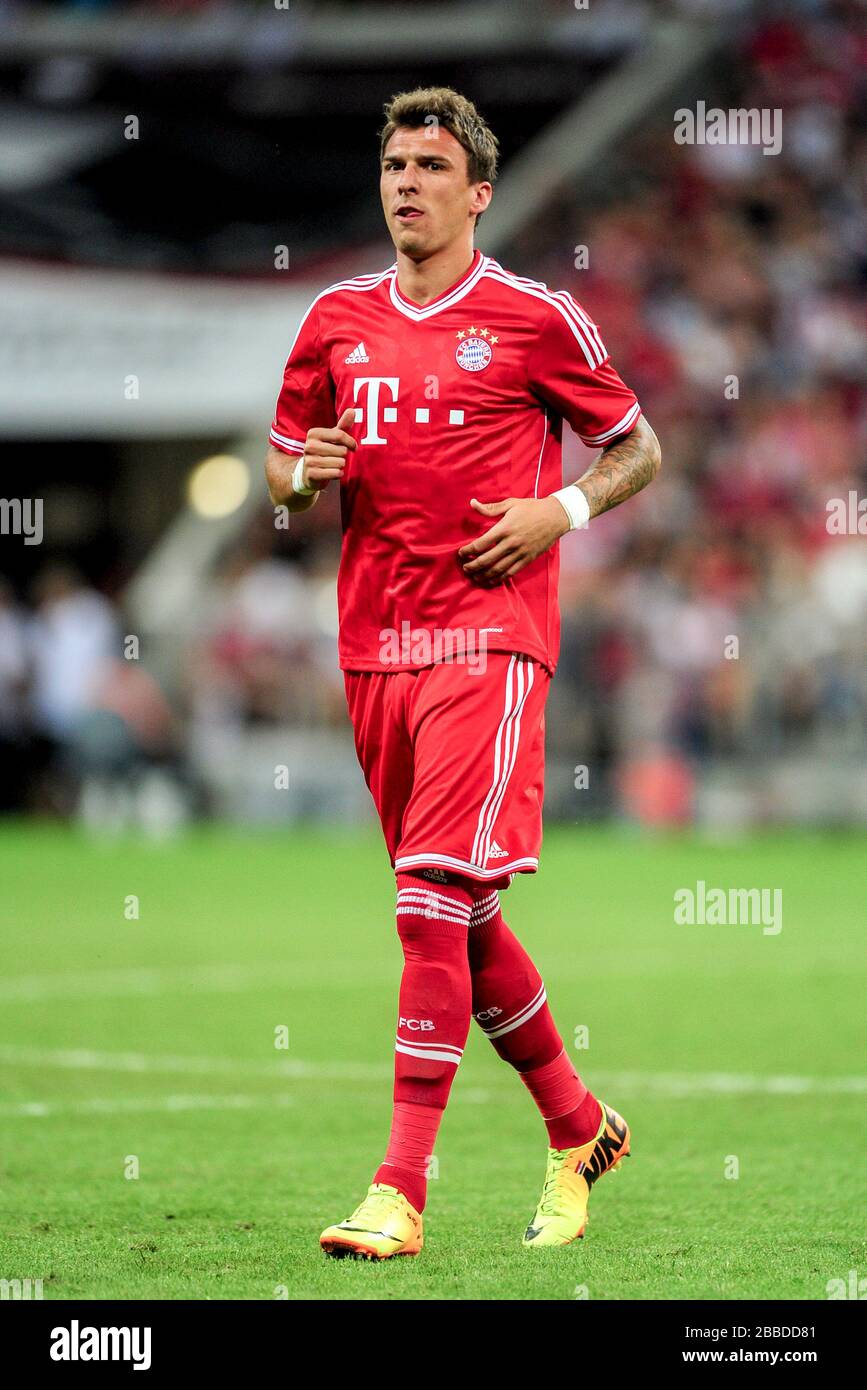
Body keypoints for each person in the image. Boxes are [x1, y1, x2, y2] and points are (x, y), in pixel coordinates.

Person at [265, 87, 661, 1259]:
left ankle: (399, 1191)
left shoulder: (537, 318)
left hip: (486, 643)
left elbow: (638, 445)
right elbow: (283, 469)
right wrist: (299, 478)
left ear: (477, 193)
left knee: (429, 899)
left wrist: (561, 507)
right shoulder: (334, 318)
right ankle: (581, 1127)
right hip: (372, 647)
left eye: (431, 167)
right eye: (393, 164)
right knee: (465, 914)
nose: (405, 183)